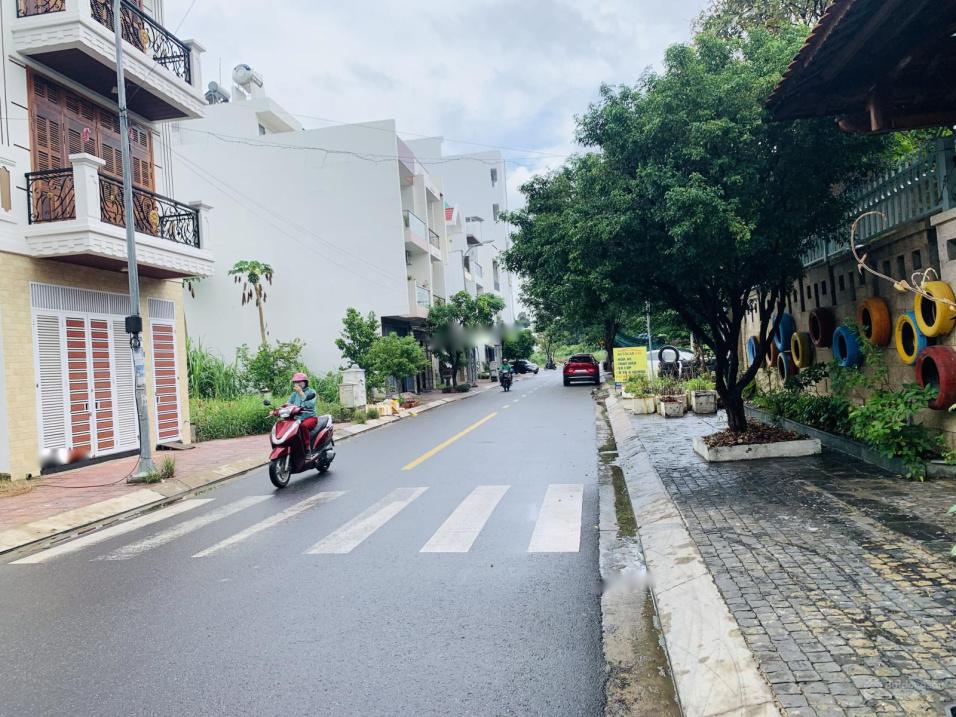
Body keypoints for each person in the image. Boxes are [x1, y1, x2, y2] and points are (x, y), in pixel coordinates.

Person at [288, 372, 318, 456]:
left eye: (299, 382)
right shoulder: (294, 394)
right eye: (295, 382)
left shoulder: (311, 392)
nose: (297, 384)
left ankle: (307, 448)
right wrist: (278, 409)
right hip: (297, 418)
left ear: (305, 382)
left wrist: (301, 393)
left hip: (310, 417)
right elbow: (288, 404)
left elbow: (310, 404)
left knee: (303, 426)